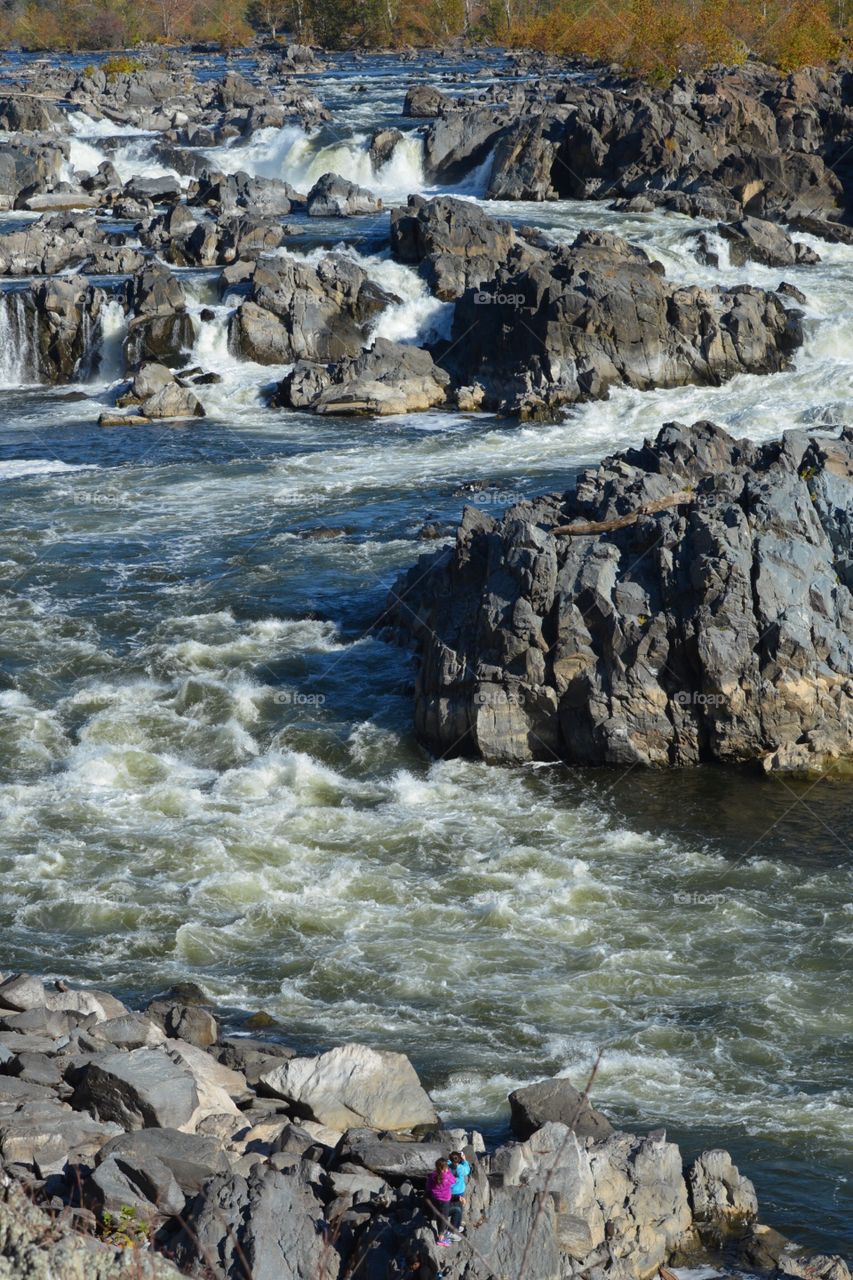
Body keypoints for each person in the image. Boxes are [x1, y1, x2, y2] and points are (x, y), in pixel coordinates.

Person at [425, 1157, 455, 1247]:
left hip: (435, 1199)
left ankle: (439, 1233)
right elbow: (453, 1181)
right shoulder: (447, 1176)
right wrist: (448, 1172)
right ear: (445, 1168)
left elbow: (429, 1187)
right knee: (444, 1218)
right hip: (445, 1200)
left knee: (438, 1216)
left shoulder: (433, 1175)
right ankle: (441, 1239)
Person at [447, 1150, 471, 1235]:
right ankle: (454, 1228)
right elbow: (467, 1170)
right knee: (458, 1209)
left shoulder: (447, 1167)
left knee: (453, 1208)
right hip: (459, 1192)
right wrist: (464, 1160)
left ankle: (454, 1225)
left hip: (449, 1192)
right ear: (459, 1159)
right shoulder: (460, 1168)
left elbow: (449, 1162)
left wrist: (450, 1157)